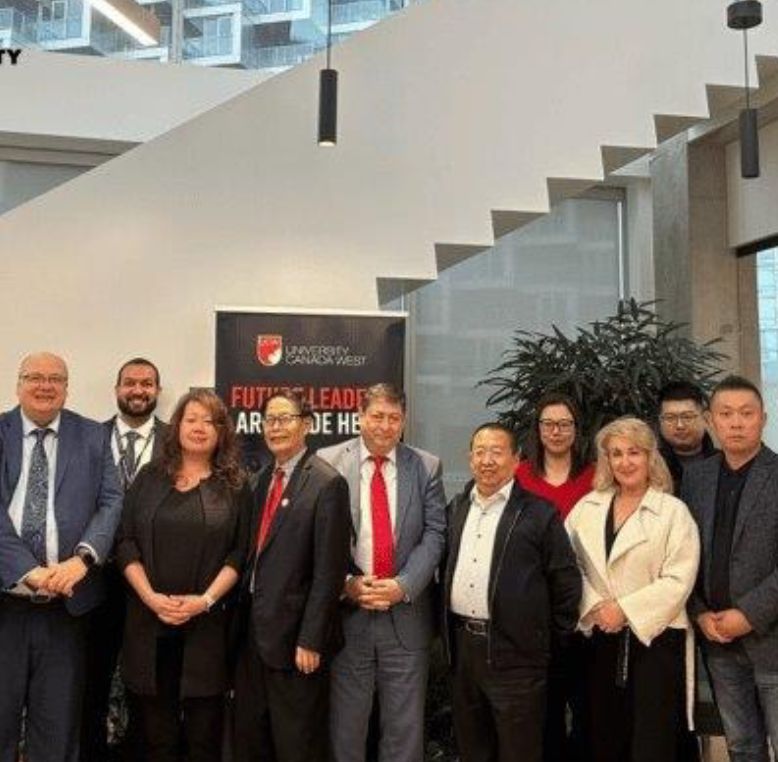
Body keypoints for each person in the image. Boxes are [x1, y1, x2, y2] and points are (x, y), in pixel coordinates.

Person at [0, 351, 124, 762]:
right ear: (18, 384)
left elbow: (112, 501)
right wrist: (28, 570)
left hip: (68, 609)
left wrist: (82, 560)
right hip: (6, 605)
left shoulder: (92, 435)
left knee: (57, 730)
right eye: (35, 376)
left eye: (56, 378)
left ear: (67, 388)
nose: (45, 385)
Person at [116, 389, 251, 762]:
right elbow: (126, 542)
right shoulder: (149, 477)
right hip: (149, 625)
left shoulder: (236, 485)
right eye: (192, 419)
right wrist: (150, 597)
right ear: (177, 427)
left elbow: (240, 554)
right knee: (157, 741)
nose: (200, 428)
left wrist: (204, 602)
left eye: (210, 421)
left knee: (203, 741)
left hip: (206, 631)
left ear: (223, 431)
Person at [318, 383, 446, 762]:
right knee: (345, 731)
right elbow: (317, 536)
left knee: (404, 735)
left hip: (405, 617)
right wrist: (346, 583)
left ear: (404, 421)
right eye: (377, 416)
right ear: (360, 416)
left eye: (394, 418)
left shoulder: (426, 465)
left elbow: (436, 532)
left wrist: (403, 586)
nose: (385, 426)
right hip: (348, 618)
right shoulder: (327, 462)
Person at [443, 421, 581, 762]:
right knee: (473, 747)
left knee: (519, 751)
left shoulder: (539, 513)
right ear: (469, 458)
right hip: (464, 651)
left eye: (496, 451)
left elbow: (566, 585)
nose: (487, 460)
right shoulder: (457, 509)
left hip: (518, 657)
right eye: (480, 452)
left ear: (516, 459)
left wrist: (545, 643)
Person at [565, 417, 700, 762]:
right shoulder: (587, 506)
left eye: (634, 453)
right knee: (602, 735)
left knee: (651, 740)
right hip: (598, 638)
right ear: (606, 460)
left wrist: (624, 609)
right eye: (616, 454)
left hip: (654, 641)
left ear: (650, 457)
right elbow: (566, 565)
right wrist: (596, 606)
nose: (625, 462)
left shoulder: (673, 512)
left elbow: (679, 579)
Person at [233, 390, 351, 762]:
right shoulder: (260, 479)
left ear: (307, 425)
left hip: (297, 643)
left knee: (297, 744)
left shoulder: (327, 483)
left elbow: (329, 571)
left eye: (285, 419)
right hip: (253, 638)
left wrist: (312, 639)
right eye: (270, 420)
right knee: (254, 740)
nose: (276, 427)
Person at [683, 375, 778, 762]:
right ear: (711, 421)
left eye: (746, 414)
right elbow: (683, 554)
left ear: (764, 418)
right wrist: (701, 613)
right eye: (726, 414)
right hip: (717, 639)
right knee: (742, 747)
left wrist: (749, 614)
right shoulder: (697, 477)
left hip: (772, 639)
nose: (736, 423)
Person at [81, 357, 169, 762]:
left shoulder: (177, 441)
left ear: (158, 391)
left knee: (147, 683)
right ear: (117, 390)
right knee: (92, 679)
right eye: (130, 383)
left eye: (147, 383)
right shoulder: (87, 438)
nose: (138, 390)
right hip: (94, 581)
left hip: (155, 583)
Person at [515, 392, 594, 761]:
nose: (556, 431)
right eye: (548, 424)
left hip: (587, 608)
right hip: (534, 612)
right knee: (542, 712)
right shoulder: (520, 476)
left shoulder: (596, 476)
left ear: (577, 430)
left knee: (586, 709)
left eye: (564, 424)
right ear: (538, 429)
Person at [657, 381, 717, 496]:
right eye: (670, 418)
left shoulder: (724, 464)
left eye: (687, 417)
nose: (680, 425)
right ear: (660, 421)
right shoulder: (650, 466)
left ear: (706, 418)